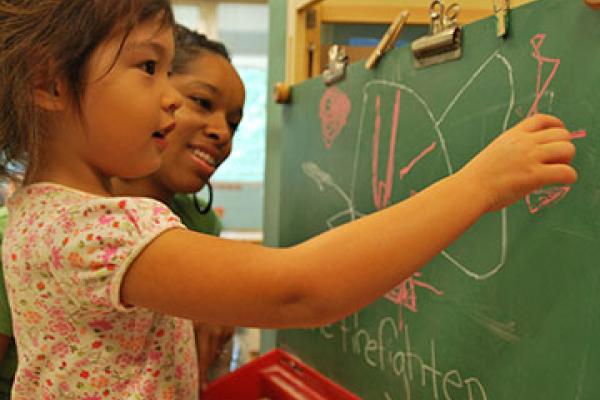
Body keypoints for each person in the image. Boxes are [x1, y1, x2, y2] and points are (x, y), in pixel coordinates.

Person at [0, 1, 577, 399]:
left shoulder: (31, 213)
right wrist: (478, 184)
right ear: (50, 84)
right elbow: (299, 289)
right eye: (148, 67)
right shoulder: (98, 231)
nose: (171, 98)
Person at [111, 25, 243, 392]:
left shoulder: (200, 223)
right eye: (202, 102)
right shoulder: (40, 227)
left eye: (234, 123)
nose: (223, 133)